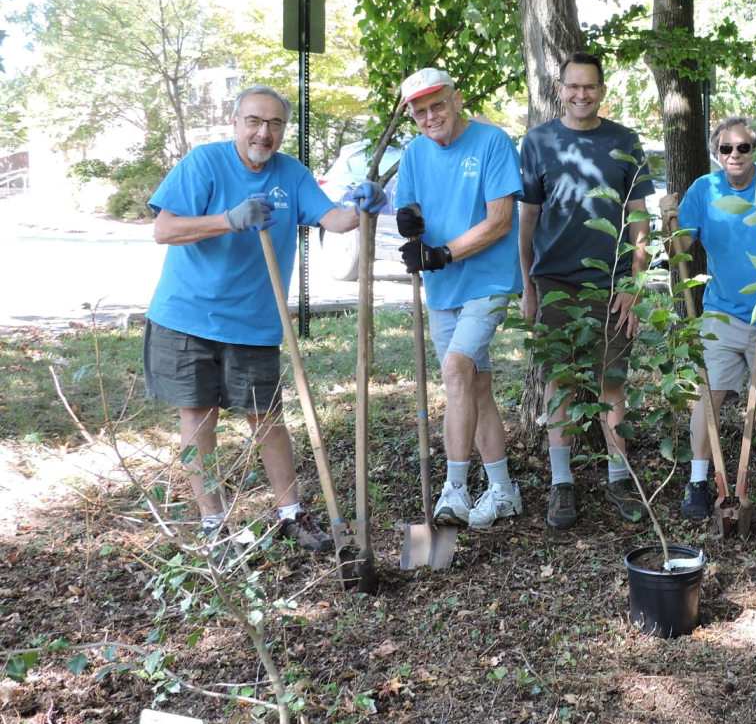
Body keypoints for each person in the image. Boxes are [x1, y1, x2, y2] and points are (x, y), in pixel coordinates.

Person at [145, 85, 385, 550]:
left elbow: (334, 220)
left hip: (254, 321)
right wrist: (229, 219)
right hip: (187, 316)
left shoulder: (291, 173)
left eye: (275, 123)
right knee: (198, 417)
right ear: (235, 122)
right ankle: (214, 525)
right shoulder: (204, 163)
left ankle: (291, 514)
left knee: (266, 417)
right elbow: (164, 229)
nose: (263, 132)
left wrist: (363, 203)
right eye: (254, 121)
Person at [518, 51, 655, 530]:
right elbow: (528, 219)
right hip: (553, 281)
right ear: (560, 89)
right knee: (558, 381)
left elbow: (639, 218)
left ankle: (619, 479)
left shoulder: (624, 141)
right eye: (573, 86)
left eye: (590, 86)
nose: (581, 94)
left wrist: (634, 283)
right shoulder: (537, 142)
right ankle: (562, 484)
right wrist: (528, 286)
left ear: (602, 90)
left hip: (611, 284)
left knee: (611, 382)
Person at [659, 117, 756, 519]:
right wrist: (668, 220)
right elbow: (679, 250)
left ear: (755, 150)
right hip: (723, 311)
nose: (734, 155)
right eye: (726, 148)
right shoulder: (704, 190)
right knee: (710, 392)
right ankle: (699, 481)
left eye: (743, 147)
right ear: (717, 153)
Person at [393, 67, 523, 530]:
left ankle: (455, 489)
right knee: (474, 384)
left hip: (488, 280)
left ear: (457, 99)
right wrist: (409, 223)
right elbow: (409, 209)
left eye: (438, 105)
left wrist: (442, 253)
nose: (430, 117)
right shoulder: (414, 153)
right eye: (420, 112)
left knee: (454, 369)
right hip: (442, 287)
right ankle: (503, 490)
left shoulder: (492, 142)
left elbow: (500, 221)